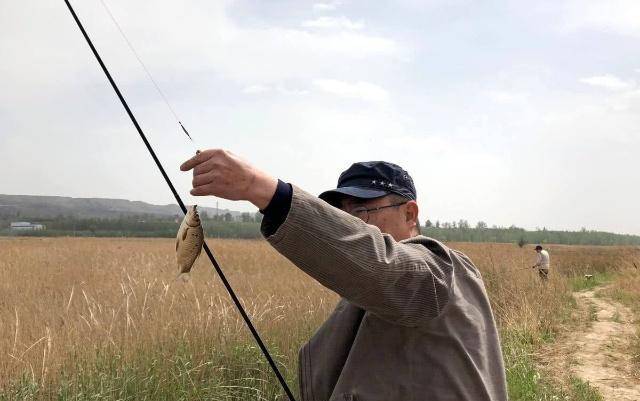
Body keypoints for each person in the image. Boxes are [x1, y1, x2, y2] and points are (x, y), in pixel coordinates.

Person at [180, 150, 508, 401]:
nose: (353, 223)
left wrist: (263, 191)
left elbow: (383, 265)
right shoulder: (369, 292)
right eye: (342, 215)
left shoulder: (439, 271)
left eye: (362, 210)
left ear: (410, 213)